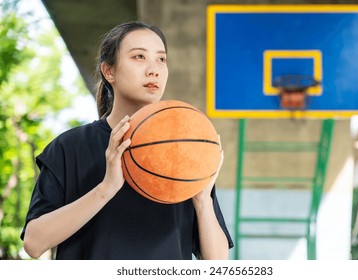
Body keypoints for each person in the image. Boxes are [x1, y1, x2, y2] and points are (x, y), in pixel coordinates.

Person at [20, 21, 233, 260]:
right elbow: (34, 243)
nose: (154, 69)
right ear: (109, 71)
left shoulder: (186, 146)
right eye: (139, 56)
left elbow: (217, 264)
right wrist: (106, 188)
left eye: (161, 59)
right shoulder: (69, 147)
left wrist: (202, 199)